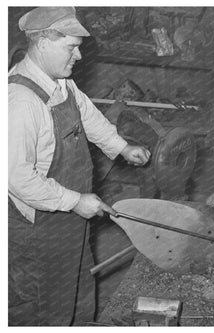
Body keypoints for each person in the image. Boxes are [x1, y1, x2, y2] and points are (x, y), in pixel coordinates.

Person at [8, 7, 151, 326]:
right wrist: (75, 201)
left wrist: (121, 147)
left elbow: (87, 115)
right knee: (44, 307)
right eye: (71, 47)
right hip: (38, 227)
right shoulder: (20, 101)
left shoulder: (60, 82)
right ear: (43, 41)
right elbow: (16, 177)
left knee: (79, 289)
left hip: (71, 217)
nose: (79, 56)